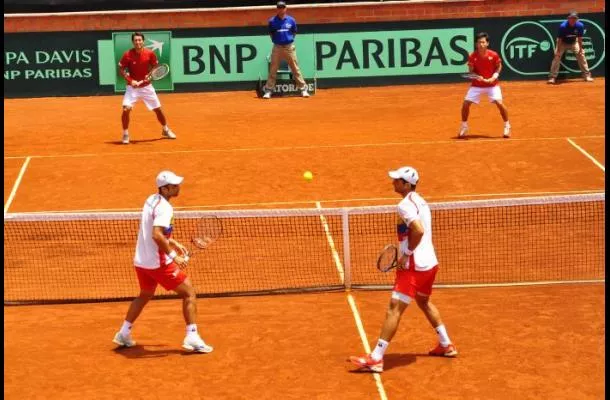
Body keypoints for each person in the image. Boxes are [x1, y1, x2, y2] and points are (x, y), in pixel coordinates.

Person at [349, 166, 457, 373]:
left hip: (414, 266)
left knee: (394, 308)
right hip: (430, 263)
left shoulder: (404, 205)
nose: (393, 182)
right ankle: (446, 344)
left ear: (406, 184)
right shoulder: (421, 201)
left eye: (397, 180)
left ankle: (376, 358)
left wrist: (406, 253)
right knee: (423, 301)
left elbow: (418, 229)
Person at [113, 170, 213, 353]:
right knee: (189, 293)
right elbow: (156, 234)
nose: (178, 187)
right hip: (158, 263)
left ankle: (123, 333)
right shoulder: (165, 208)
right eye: (174, 186)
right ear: (165, 189)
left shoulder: (151, 199)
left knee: (144, 294)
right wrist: (174, 256)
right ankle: (192, 336)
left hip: (141, 261)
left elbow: (155, 229)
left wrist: (172, 241)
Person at [118, 32, 176, 144]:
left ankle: (165, 129)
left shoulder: (150, 53)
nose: (138, 42)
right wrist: (131, 80)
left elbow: (156, 67)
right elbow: (121, 69)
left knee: (158, 110)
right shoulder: (127, 55)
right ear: (133, 42)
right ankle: (125, 134)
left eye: (139, 40)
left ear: (143, 41)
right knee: (126, 110)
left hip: (147, 88)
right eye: (135, 40)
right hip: (132, 88)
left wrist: (149, 75)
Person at [459, 32, 510, 139]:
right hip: (476, 86)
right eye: (479, 42)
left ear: (487, 43)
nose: (481, 44)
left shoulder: (493, 55)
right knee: (465, 104)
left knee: (499, 103)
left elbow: (499, 66)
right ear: (476, 44)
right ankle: (464, 126)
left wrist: (494, 77)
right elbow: (470, 72)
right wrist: (478, 77)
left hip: (493, 85)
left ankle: (507, 125)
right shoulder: (472, 56)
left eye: (483, 42)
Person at [261, 1, 309, 99]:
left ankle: (303, 89)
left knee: (295, 68)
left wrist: (288, 41)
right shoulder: (272, 21)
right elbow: (271, 34)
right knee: (273, 69)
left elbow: (294, 32)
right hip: (277, 47)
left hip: (289, 47)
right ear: (277, 9)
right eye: (279, 7)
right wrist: (277, 41)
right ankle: (268, 91)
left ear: (285, 8)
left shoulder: (291, 20)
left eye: (282, 7)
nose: (281, 9)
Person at [547, 11, 594, 84]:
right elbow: (559, 39)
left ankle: (586, 75)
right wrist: (558, 50)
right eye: (571, 18)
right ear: (568, 18)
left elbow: (579, 38)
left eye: (575, 18)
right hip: (562, 43)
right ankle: (552, 77)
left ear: (577, 19)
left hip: (574, 42)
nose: (573, 20)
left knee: (581, 54)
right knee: (557, 56)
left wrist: (581, 49)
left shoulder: (580, 26)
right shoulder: (563, 26)